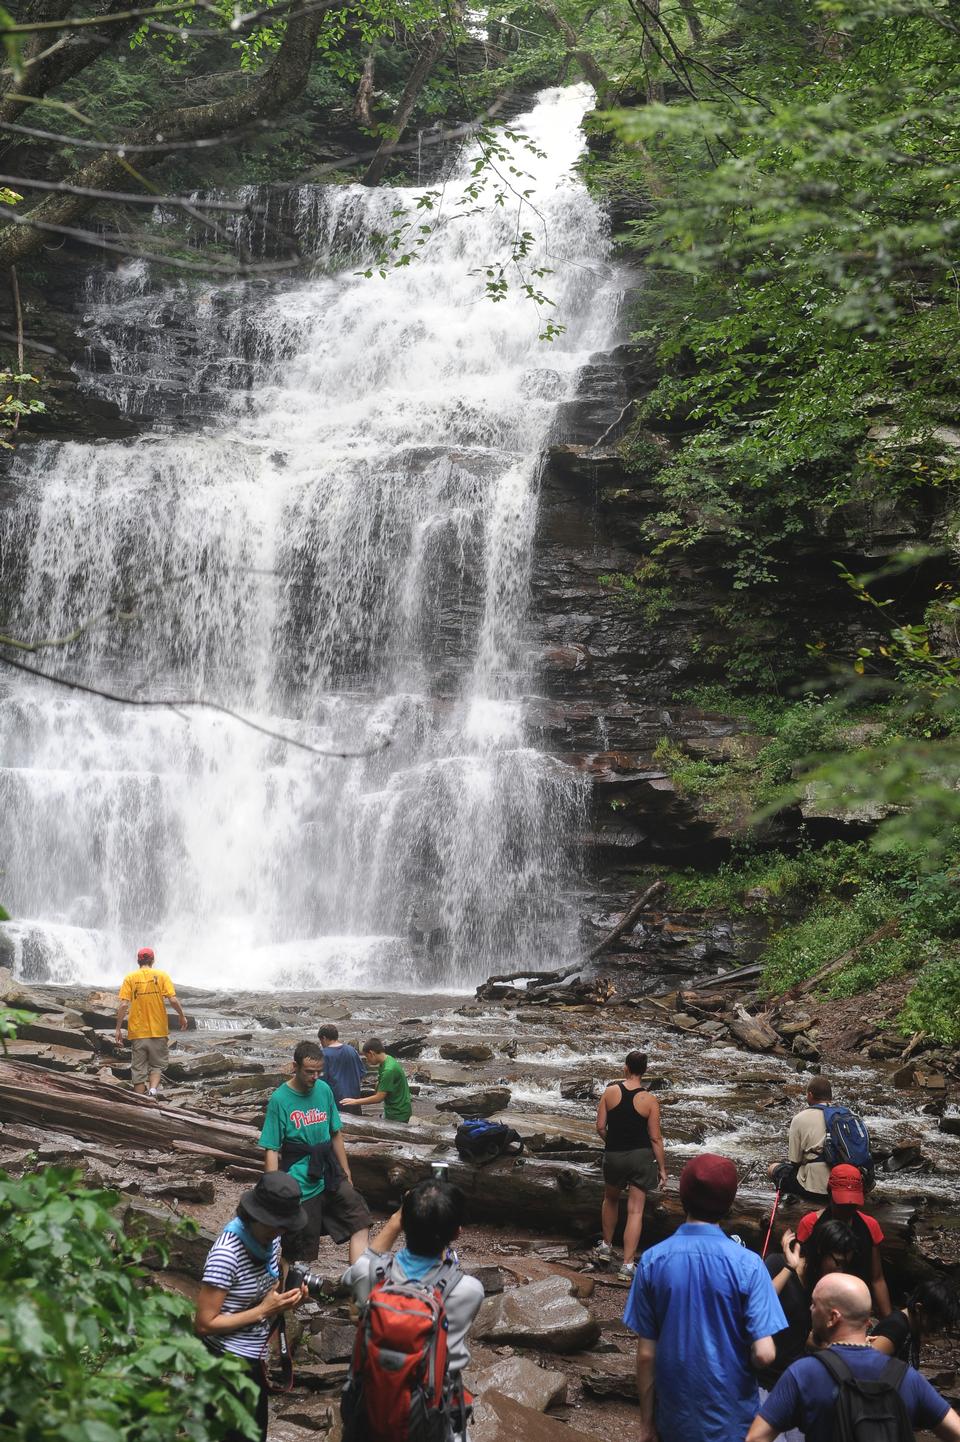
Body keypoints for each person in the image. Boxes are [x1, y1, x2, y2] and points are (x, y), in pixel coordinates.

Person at [624, 1152, 787, 1442]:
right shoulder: (750, 1265)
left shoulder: (652, 1261)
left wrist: (646, 1425)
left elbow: (647, 1355)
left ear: (683, 1197)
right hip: (732, 1421)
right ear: (728, 1204)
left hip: (674, 1420)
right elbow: (765, 1353)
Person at [341, 1178, 484, 1438]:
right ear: (457, 1233)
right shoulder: (468, 1290)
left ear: (404, 1223)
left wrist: (396, 1220)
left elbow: (360, 1266)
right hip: (429, 1413)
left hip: (372, 1404)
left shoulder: (371, 1273)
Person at [747, 1273, 960, 1442]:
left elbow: (756, 1437)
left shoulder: (803, 1374)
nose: (810, 1309)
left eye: (814, 1304)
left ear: (833, 1317)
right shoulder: (909, 1379)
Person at [195, 1172, 308, 1442]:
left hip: (253, 1358)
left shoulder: (271, 1241)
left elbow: (266, 1294)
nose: (281, 1231)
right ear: (256, 1216)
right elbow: (203, 1324)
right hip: (224, 1362)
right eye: (276, 1225)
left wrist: (286, 1300)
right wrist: (263, 1311)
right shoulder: (227, 1254)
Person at [258, 1040, 371, 1266]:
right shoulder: (280, 1099)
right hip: (300, 1179)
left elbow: (335, 1133)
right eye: (310, 1072)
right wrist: (273, 1191)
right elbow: (272, 1148)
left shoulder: (324, 1090)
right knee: (299, 1249)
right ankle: (286, 1295)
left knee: (360, 1219)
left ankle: (359, 1284)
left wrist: (346, 1171)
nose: (315, 1077)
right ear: (295, 1067)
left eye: (320, 1071)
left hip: (330, 1171)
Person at [759, 1219, 861, 1441]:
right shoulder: (779, 1264)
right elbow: (758, 1305)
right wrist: (788, 1268)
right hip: (762, 1381)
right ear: (821, 1251)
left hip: (796, 1381)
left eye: (845, 1265)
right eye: (837, 1262)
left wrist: (852, 1344)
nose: (841, 1270)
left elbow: (808, 1337)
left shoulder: (822, 1288)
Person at [594, 1049, 667, 1281]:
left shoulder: (610, 1092)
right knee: (635, 1210)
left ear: (625, 1067)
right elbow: (655, 1138)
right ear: (644, 1072)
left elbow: (600, 1127)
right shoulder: (650, 1100)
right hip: (640, 1157)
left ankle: (606, 1246)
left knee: (611, 1199)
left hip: (614, 1154)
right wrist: (663, 1170)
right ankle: (627, 1265)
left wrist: (612, 1142)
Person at [794, 1163, 892, 1316]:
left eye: (851, 1204)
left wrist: (889, 1321)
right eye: (842, 1204)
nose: (847, 1209)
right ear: (830, 1193)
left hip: (855, 1304)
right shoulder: (810, 1224)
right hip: (817, 1304)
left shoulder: (870, 1226)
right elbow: (800, 1273)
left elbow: (877, 1278)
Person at [114, 945, 187, 1096]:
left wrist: (118, 1028)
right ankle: (153, 1091)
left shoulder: (130, 978)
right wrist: (181, 1015)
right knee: (156, 1065)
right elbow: (172, 1000)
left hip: (138, 1031)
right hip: (158, 1029)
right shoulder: (162, 976)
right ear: (153, 960)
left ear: (138, 961)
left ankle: (140, 1099)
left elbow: (123, 1004)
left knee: (138, 1069)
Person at [870, 1275, 960, 1368]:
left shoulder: (913, 1327)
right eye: (935, 1322)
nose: (939, 1329)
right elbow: (866, 1364)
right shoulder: (895, 1328)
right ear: (918, 1308)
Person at [769, 1075, 833, 1202]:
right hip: (849, 1186)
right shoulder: (849, 1116)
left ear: (810, 1094)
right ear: (830, 1097)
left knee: (773, 1168)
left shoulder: (800, 1118)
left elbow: (795, 1161)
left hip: (817, 1189)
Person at [339, 1036, 412, 1123]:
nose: (367, 1061)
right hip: (394, 1108)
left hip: (397, 1113)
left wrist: (355, 1101)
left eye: (367, 1057)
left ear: (372, 1053)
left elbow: (378, 1098)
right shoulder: (387, 1060)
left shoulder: (388, 1070)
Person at [317, 1025, 366, 1117]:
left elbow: (320, 1082)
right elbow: (361, 1073)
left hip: (335, 1102)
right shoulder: (352, 1050)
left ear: (323, 1038)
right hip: (354, 1100)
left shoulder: (324, 1054)